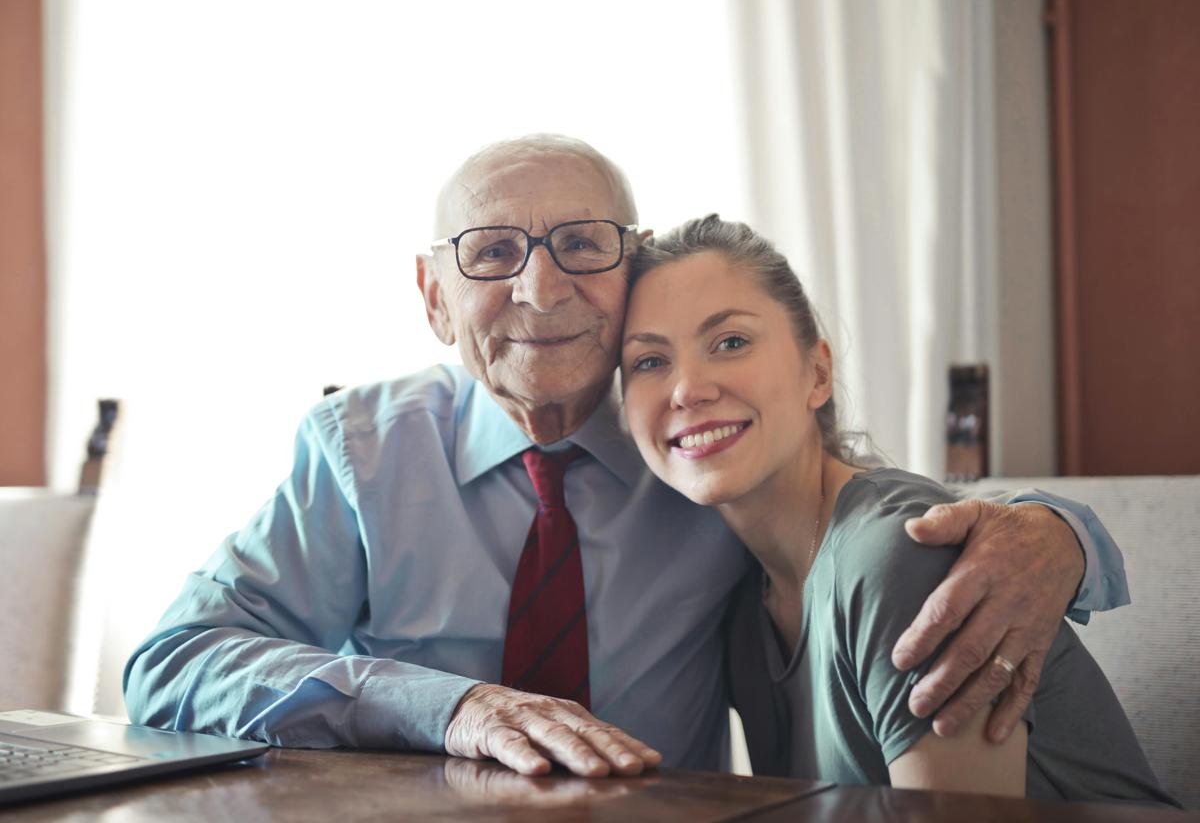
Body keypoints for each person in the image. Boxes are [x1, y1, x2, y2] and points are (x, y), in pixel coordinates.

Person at [124, 135, 1130, 779]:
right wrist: (452, 707)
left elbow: (873, 521)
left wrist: (1059, 535)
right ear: (434, 299)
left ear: (628, 275)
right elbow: (170, 663)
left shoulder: (698, 451)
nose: (540, 285)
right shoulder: (359, 455)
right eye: (490, 253)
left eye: (581, 244)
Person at [620, 214, 1176, 804]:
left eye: (730, 342)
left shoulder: (900, 555)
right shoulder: (742, 603)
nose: (686, 389)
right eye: (649, 362)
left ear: (817, 372)